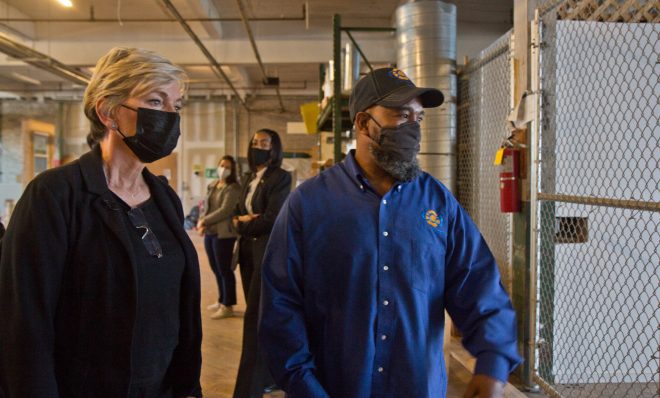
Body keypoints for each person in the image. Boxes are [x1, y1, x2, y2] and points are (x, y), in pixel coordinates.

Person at [259, 68, 522, 398]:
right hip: (335, 388)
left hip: (416, 387)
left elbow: (479, 286)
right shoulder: (310, 203)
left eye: (418, 117)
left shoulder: (438, 204)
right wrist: (304, 385)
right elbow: (281, 304)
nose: (412, 127)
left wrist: (493, 364)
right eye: (400, 115)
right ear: (362, 123)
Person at [0, 47, 202, 398]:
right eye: (156, 102)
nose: (171, 116)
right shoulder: (54, 196)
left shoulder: (164, 198)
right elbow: (25, 325)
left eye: (176, 105)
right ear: (109, 112)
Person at [232, 128, 291, 398]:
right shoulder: (248, 178)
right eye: (255, 142)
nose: (259, 146)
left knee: (255, 318)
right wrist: (245, 221)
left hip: (265, 253)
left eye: (265, 143)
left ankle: (248, 388)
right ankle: (271, 377)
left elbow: (271, 218)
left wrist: (245, 223)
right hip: (245, 253)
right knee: (257, 314)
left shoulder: (280, 177)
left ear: (274, 147)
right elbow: (236, 214)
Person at [197, 155, 241, 319]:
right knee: (216, 268)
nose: (223, 169)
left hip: (224, 234)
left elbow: (225, 210)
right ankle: (221, 299)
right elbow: (206, 206)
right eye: (222, 165)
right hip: (210, 232)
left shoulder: (233, 188)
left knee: (225, 269)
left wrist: (203, 220)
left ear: (232, 170)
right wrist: (202, 222)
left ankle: (228, 305)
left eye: (227, 166)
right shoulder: (213, 185)